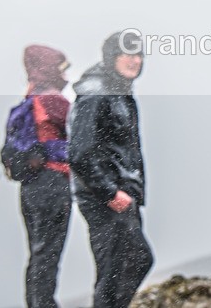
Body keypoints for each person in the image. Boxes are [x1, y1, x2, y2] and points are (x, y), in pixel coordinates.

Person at [68, 31, 153, 308]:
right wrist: (109, 193)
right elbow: (80, 153)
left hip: (122, 195)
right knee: (120, 267)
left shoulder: (119, 91)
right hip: (106, 198)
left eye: (139, 54)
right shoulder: (97, 92)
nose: (135, 60)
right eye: (127, 54)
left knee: (129, 263)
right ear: (111, 57)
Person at [18, 45, 72, 308]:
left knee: (38, 251)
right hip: (53, 182)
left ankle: (37, 303)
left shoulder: (27, 101)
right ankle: (44, 304)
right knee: (49, 252)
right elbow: (78, 138)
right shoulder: (53, 100)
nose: (65, 75)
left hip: (30, 187)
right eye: (61, 68)